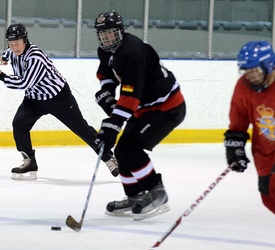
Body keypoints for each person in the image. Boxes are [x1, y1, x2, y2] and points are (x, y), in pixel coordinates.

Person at [93, 11, 186, 220]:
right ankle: (135, 195)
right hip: (144, 108)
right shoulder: (106, 51)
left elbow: (130, 95)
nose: (106, 38)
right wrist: (107, 94)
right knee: (122, 151)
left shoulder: (131, 51)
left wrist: (114, 123)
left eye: (110, 33)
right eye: (102, 34)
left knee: (130, 147)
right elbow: (106, 75)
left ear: (120, 31)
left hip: (167, 107)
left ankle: (157, 193)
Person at [0, 23, 119, 180]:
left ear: (25, 40)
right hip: (34, 99)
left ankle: (109, 158)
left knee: (81, 128)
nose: (14, 47)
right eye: (11, 43)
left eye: (17, 43)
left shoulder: (35, 57)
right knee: (19, 124)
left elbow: (23, 83)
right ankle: (29, 161)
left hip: (58, 98)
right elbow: (7, 54)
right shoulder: (12, 50)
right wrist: (2, 58)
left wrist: (1, 75)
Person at [224, 40, 275, 215]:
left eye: (254, 70)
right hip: (264, 150)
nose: (250, 75)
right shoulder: (244, 86)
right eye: (247, 70)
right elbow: (239, 118)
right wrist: (234, 148)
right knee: (268, 198)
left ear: (268, 65)